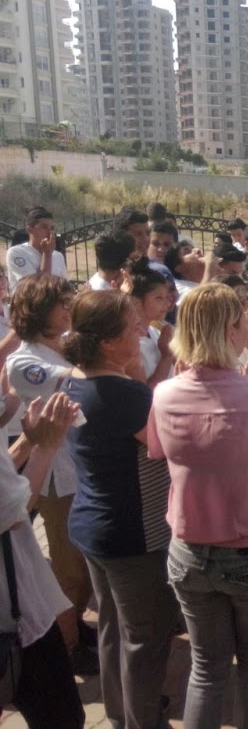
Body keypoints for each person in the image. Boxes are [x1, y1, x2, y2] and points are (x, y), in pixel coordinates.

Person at [148, 283, 248, 727]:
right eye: (243, 321)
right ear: (231, 330)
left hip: (190, 550)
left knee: (207, 666)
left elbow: (159, 450)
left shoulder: (163, 394)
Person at [63, 290, 177, 729]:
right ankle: (143, 720)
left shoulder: (74, 379)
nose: (142, 333)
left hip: (94, 526)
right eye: (134, 329)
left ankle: (119, 712)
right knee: (145, 640)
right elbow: (163, 446)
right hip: (134, 534)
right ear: (109, 342)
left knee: (114, 626)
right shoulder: (124, 396)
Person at [5, 274, 97, 674]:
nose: (68, 309)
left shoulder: (62, 349)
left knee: (83, 565)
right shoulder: (24, 361)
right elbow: (83, 389)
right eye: (61, 303)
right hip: (59, 480)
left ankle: (75, 625)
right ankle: (69, 645)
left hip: (82, 470)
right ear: (38, 311)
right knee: (68, 568)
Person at [0, 392, 85, 729]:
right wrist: (47, 446)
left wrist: (27, 441)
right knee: (61, 718)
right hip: (15, 618)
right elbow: (14, 512)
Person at [126, 257, 175, 388]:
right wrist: (166, 356)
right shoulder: (130, 344)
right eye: (159, 298)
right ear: (135, 301)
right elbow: (145, 394)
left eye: (166, 297)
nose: (168, 303)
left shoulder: (156, 331)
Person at [7, 206, 68, 290]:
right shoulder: (17, 253)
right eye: (44, 227)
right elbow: (36, 290)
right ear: (30, 230)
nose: (50, 232)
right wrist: (47, 254)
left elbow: (65, 288)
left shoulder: (58, 256)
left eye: (52, 228)